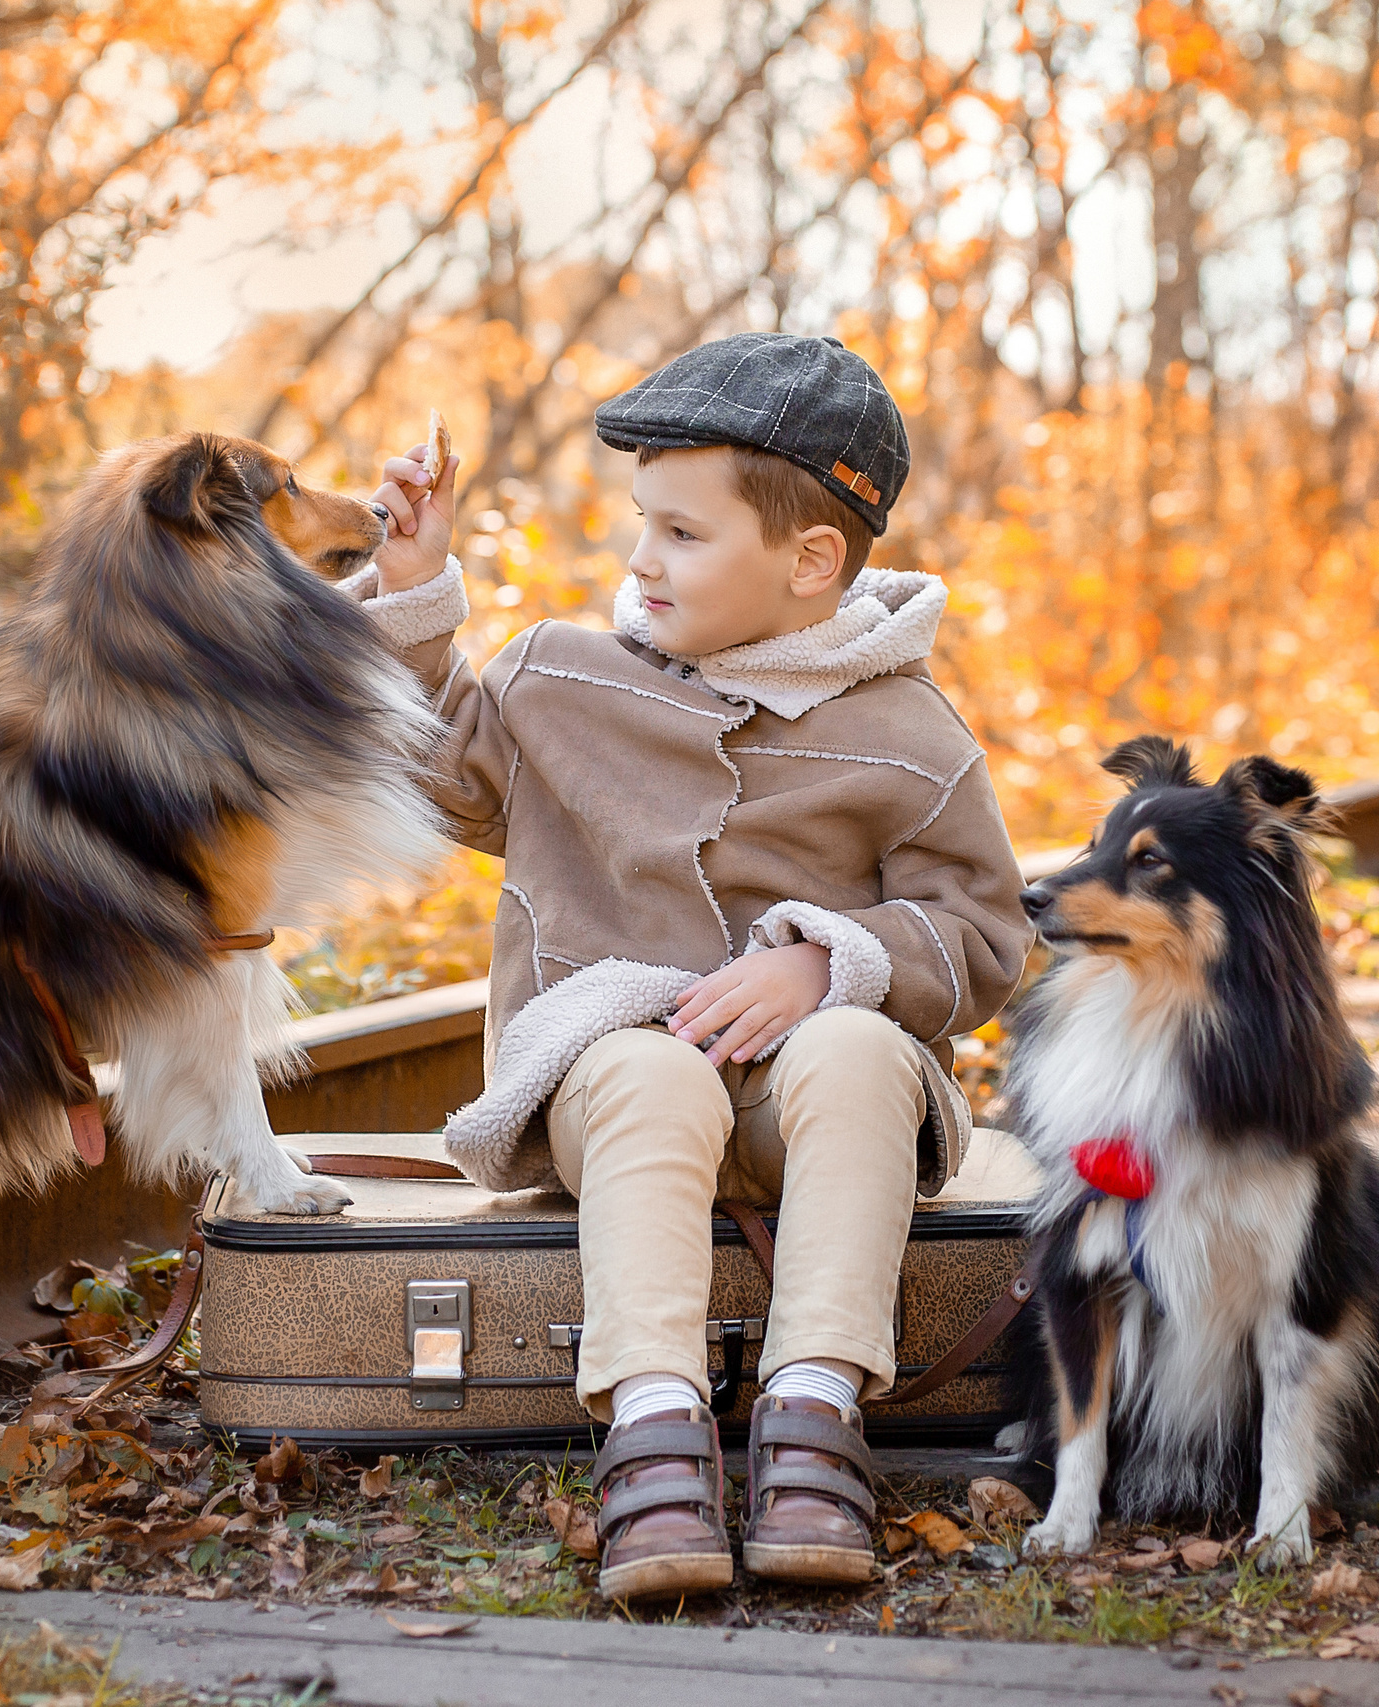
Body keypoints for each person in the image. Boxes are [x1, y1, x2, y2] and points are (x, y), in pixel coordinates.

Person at [350, 333, 1032, 1600]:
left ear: (809, 561)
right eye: (641, 525)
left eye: (682, 535)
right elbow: (441, 774)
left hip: (803, 1110)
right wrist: (413, 589)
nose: (640, 560)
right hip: (612, 1099)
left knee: (851, 1045)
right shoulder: (565, 674)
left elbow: (988, 933)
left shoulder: (909, 736)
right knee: (649, 1072)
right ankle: (655, 1427)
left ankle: (816, 1411)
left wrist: (833, 964)